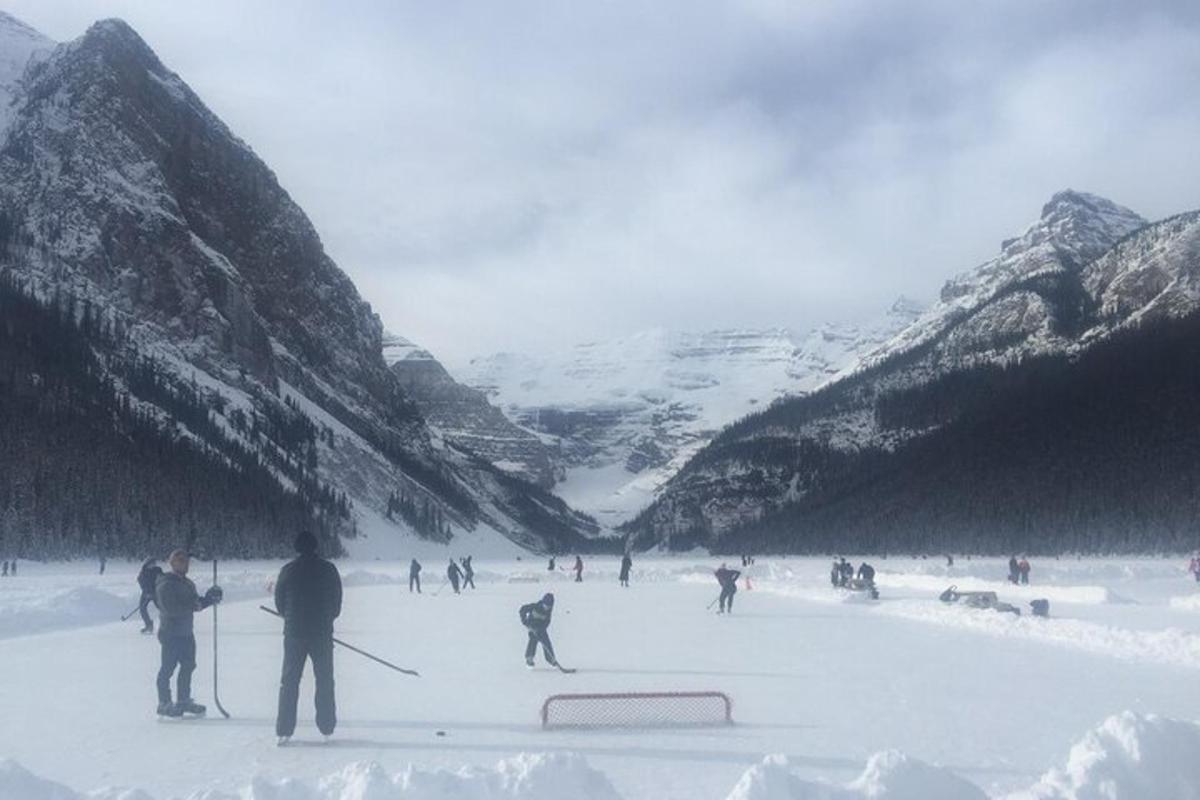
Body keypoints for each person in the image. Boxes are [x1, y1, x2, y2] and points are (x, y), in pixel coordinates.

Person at [274, 530, 343, 745]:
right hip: (321, 633)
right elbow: (337, 602)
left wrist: (291, 618)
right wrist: (326, 620)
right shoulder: (329, 569)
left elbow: (279, 602)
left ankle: (284, 730)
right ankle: (327, 727)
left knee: (289, 681)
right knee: (324, 679)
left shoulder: (288, 570)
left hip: (294, 633)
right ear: (315, 546)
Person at [154, 549, 222, 717]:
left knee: (188, 666)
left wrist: (209, 599)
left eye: (186, 561)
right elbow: (171, 608)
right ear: (172, 563)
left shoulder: (187, 583)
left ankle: (183, 700)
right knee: (168, 668)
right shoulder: (166, 583)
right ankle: (164, 702)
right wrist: (196, 605)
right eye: (180, 561)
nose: (185, 564)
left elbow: (194, 603)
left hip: (185, 632)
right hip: (170, 633)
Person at [519, 592, 558, 667]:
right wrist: (525, 621)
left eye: (549, 606)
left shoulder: (548, 612)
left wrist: (542, 628)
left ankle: (551, 659)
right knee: (533, 641)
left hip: (541, 629)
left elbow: (547, 622)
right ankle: (529, 658)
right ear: (543, 602)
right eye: (546, 605)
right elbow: (522, 609)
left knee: (546, 642)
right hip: (532, 627)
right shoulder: (535, 606)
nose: (547, 607)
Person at [136, 558, 163, 634]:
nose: (153, 565)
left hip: (157, 593)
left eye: (154, 563)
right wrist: (147, 592)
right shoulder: (143, 572)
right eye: (151, 563)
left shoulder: (158, 570)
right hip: (146, 593)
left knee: (163, 608)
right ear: (147, 564)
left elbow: (163, 580)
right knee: (142, 608)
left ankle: (168, 624)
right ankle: (148, 625)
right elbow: (141, 582)